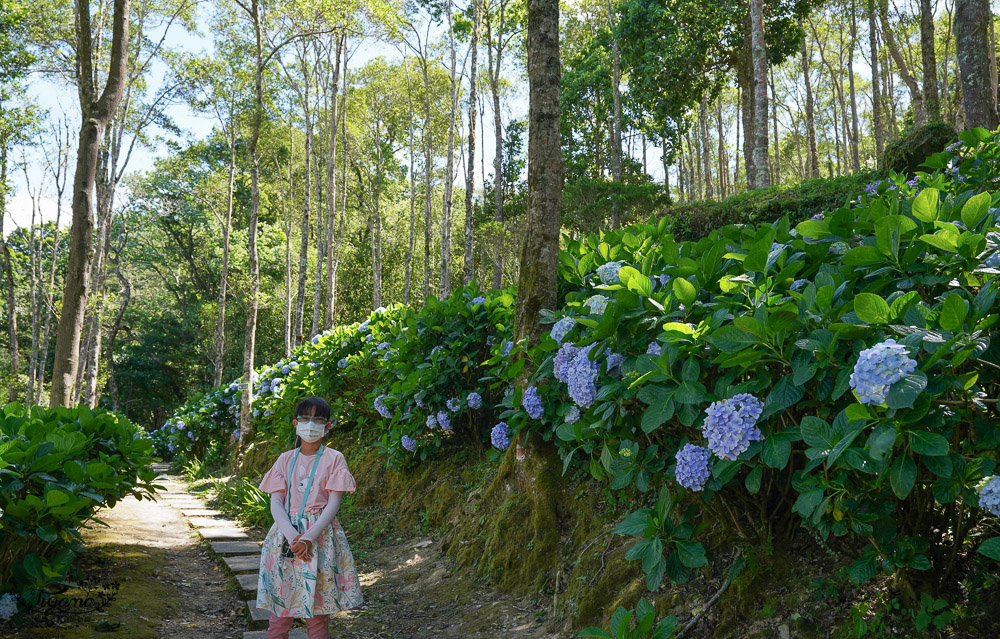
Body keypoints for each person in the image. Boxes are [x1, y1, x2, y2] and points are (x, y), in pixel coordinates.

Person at [256, 396, 363, 639]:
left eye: (317, 419)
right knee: (280, 609)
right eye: (305, 418)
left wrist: (308, 538)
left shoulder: (334, 458)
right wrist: (295, 537)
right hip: (285, 538)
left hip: (321, 538)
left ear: (327, 426)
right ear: (295, 423)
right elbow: (276, 503)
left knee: (316, 613)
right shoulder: (285, 459)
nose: (310, 424)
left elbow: (333, 503)